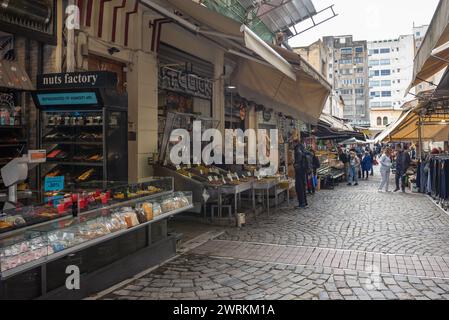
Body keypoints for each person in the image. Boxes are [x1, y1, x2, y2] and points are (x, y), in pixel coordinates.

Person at [294, 141, 309, 209]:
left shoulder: (298, 148)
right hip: (303, 171)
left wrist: (295, 164)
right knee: (302, 187)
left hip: (299, 171)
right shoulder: (303, 147)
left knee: (299, 187)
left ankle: (301, 203)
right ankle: (304, 203)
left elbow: (298, 157)